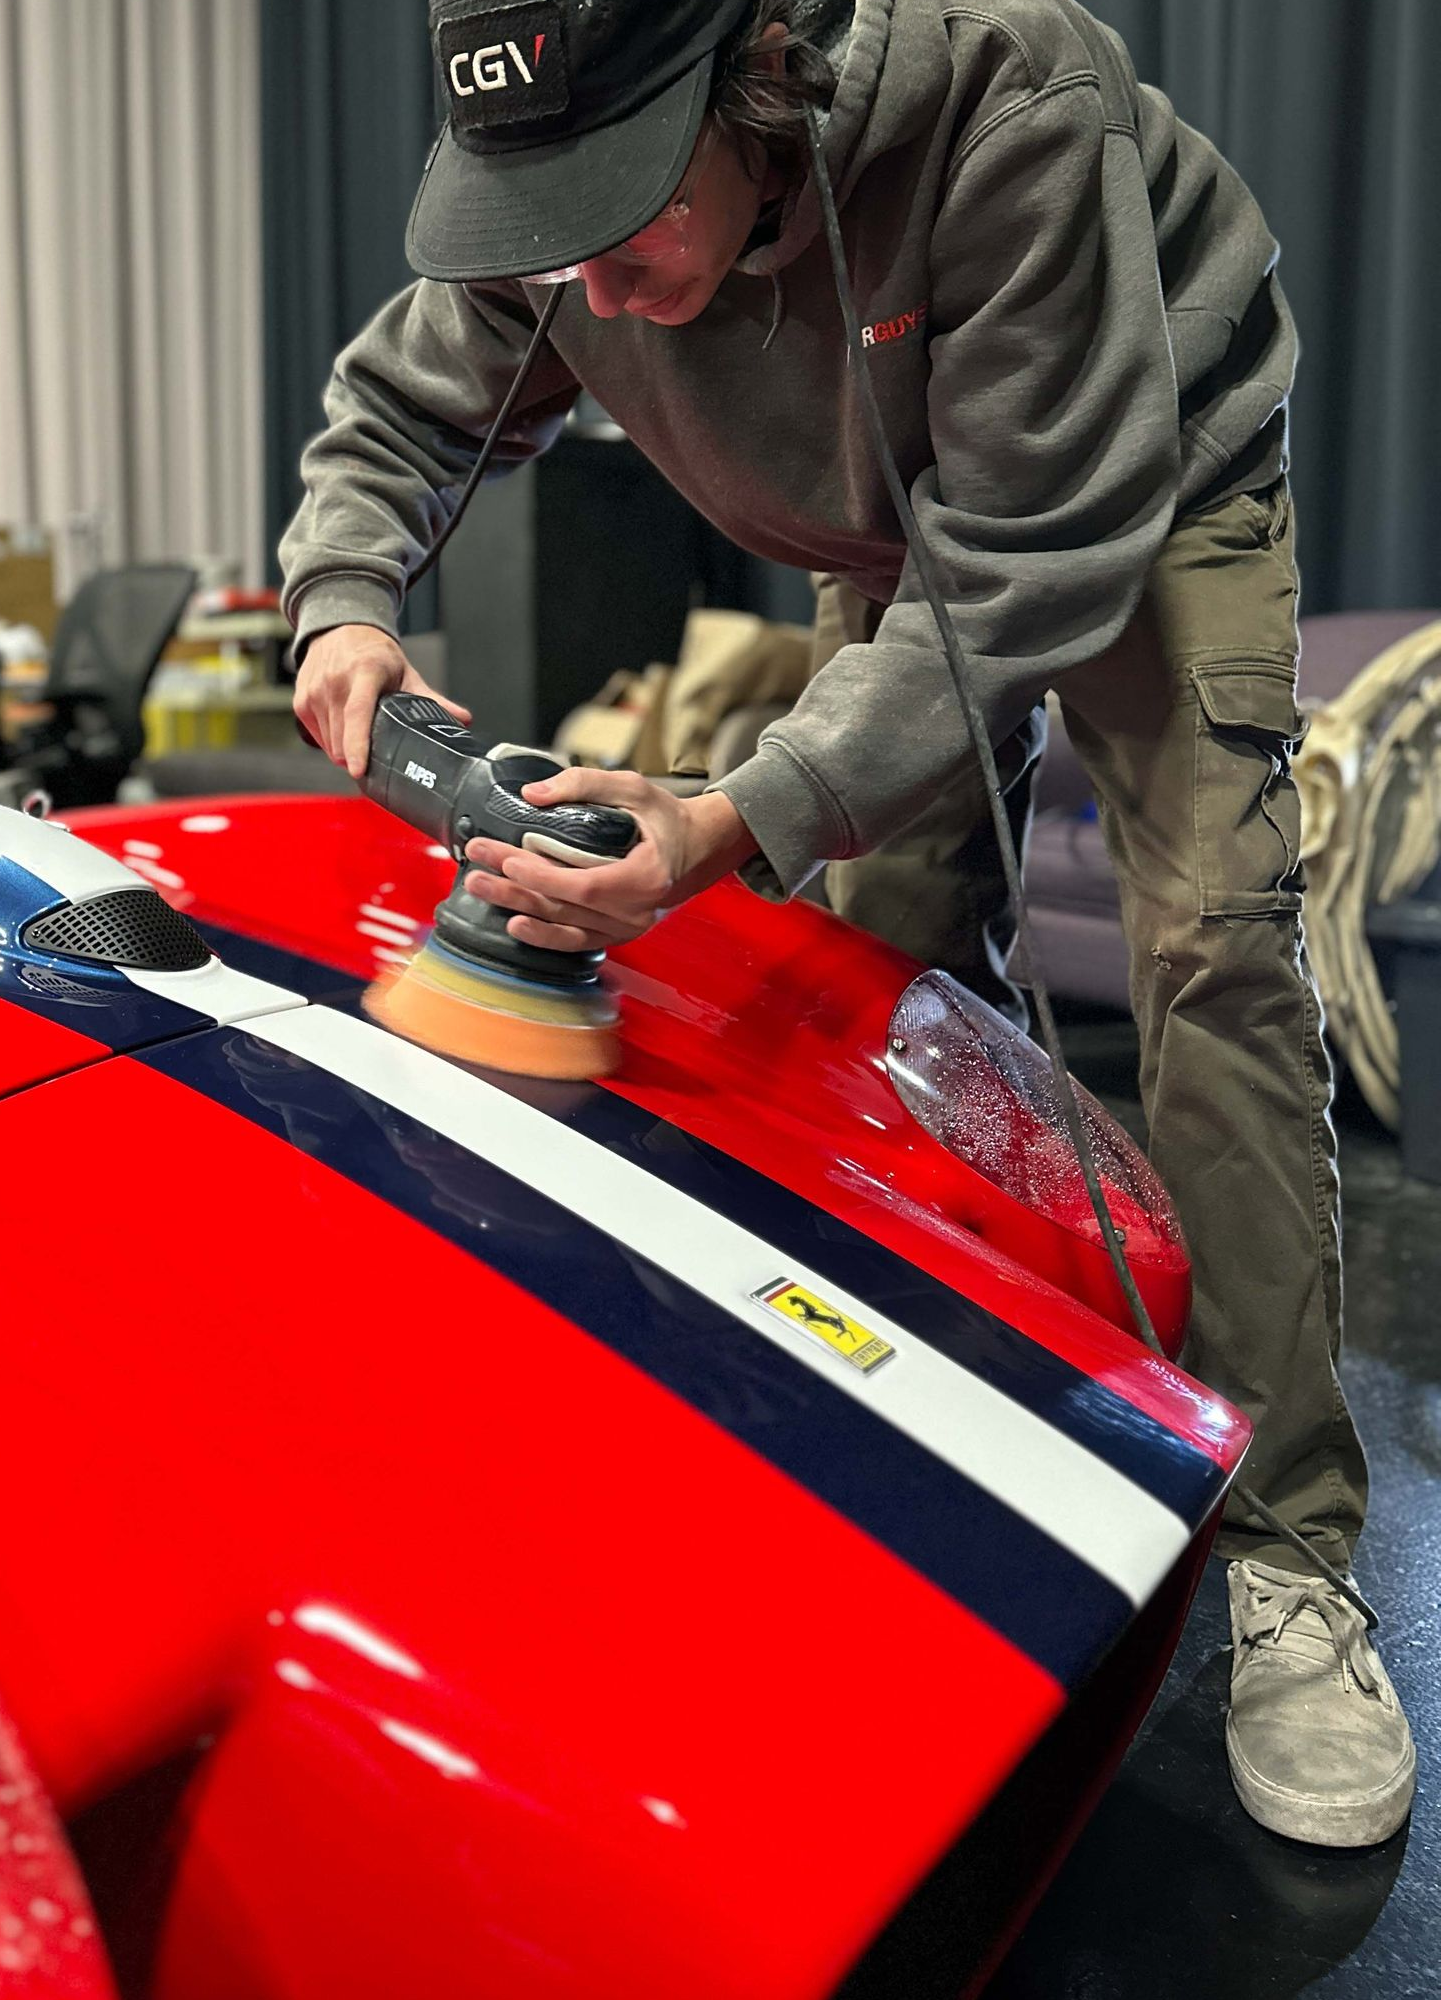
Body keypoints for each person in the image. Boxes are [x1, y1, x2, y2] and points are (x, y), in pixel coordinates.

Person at [282, 0, 1415, 1847]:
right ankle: (936, 1437)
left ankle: (1289, 1554)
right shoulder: (563, 205)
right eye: (554, 247)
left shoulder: (1011, 103)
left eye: (628, 226)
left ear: (759, 85)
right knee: (879, 959)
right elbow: (401, 410)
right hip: (895, 528)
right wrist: (344, 599)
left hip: (1145, 483)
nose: (597, 299)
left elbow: (1024, 555)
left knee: (1209, 944)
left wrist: (730, 819)